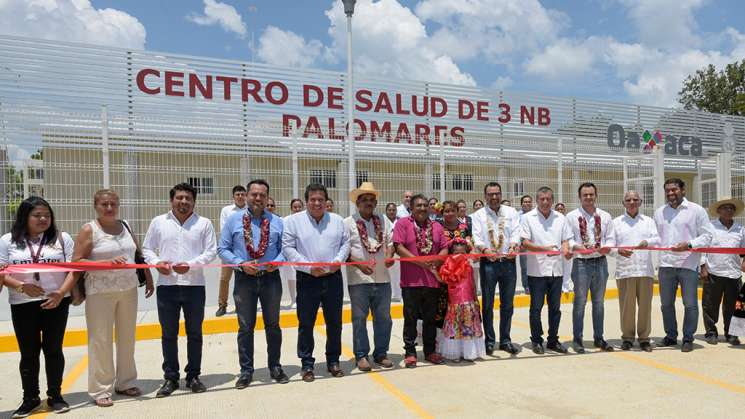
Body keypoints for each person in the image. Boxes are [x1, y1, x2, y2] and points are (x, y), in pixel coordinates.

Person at [72, 189, 154, 407]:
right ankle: (101, 389)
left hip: (127, 289)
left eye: (113, 204)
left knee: (128, 337)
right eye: (104, 204)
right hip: (100, 291)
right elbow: (76, 261)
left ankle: (125, 382)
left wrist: (148, 276)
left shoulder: (125, 225)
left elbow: (138, 254)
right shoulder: (89, 230)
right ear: (96, 206)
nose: (109, 208)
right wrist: (103, 264)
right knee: (101, 341)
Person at [0, 197, 76, 416]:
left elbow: (74, 269)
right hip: (22, 304)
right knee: (29, 353)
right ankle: (30, 398)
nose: (43, 219)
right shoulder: (8, 240)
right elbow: (2, 270)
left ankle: (55, 396)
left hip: (56, 302)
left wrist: (61, 293)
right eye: (37, 215)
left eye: (47, 215)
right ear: (25, 217)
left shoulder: (62, 238)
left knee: (53, 350)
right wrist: (22, 286)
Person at [143, 183, 217, 397]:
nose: (184, 202)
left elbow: (211, 251)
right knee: (168, 334)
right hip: (167, 287)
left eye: (188, 198)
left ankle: (193, 376)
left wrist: (191, 264)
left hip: (194, 287)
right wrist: (157, 262)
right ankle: (171, 378)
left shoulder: (204, 223)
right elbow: (147, 248)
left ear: (194, 201)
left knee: (195, 333)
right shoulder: (159, 222)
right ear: (172, 200)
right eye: (179, 198)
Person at [217, 179, 288, 388]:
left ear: (267, 198)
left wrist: (279, 261)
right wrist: (240, 264)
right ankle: (246, 371)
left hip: (271, 279)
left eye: (262, 195)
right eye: (254, 194)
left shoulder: (277, 221)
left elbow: (286, 248)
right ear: (247, 196)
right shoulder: (233, 220)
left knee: (273, 326)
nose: (258, 198)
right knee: (245, 327)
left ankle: (275, 366)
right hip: (244, 279)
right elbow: (222, 249)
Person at [282, 184, 350, 382]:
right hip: (307, 279)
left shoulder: (337, 221)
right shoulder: (294, 221)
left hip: (333, 278)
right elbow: (288, 248)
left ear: (326, 201)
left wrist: (337, 262)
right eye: (313, 199)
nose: (317, 203)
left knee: (335, 323)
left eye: (321, 199)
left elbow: (345, 243)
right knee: (306, 324)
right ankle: (307, 364)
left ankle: (333, 361)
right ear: (306, 201)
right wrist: (308, 267)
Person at [654, 178, 714, 352]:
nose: (671, 193)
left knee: (690, 304)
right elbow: (656, 237)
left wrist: (688, 245)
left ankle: (688, 338)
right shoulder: (660, 212)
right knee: (666, 304)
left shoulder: (697, 211)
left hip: (689, 264)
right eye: (668, 190)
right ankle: (671, 336)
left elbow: (708, 236)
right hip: (666, 264)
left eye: (674, 190)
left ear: (683, 190)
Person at [393, 194, 448, 368]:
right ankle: (410, 352)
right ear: (411, 207)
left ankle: (430, 351)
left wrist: (436, 261)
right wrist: (422, 263)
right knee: (410, 318)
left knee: (430, 319)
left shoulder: (437, 226)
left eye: (425, 205)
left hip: (432, 282)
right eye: (419, 205)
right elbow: (398, 247)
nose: (423, 208)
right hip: (411, 282)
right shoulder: (402, 224)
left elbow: (445, 248)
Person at [345, 182, 395, 371]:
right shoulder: (348, 222)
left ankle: (381, 353)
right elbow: (344, 250)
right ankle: (361, 355)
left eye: (371, 200)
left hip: (382, 277)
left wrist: (390, 255)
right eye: (364, 200)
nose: (368, 203)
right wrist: (358, 265)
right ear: (357, 203)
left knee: (384, 318)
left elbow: (391, 240)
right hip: (359, 279)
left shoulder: (383, 219)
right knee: (359, 318)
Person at [520, 187, 572, 355]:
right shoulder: (528, 218)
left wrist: (566, 250)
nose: (545, 202)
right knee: (536, 308)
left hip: (556, 270)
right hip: (537, 271)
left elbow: (565, 239)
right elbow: (525, 243)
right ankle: (536, 340)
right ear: (537, 200)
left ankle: (552, 340)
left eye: (548, 199)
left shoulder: (561, 218)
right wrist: (544, 249)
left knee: (555, 309)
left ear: (552, 200)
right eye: (542, 199)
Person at [471, 182, 521, 355]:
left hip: (508, 263)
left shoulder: (511, 212)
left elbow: (516, 232)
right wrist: (485, 249)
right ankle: (490, 341)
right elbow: (477, 237)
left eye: (497, 194)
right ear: (485, 196)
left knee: (507, 304)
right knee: (488, 304)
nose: (494, 197)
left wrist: (514, 245)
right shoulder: (478, 215)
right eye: (490, 194)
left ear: (501, 194)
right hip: (489, 264)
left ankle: (505, 340)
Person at [566, 182, 616, 353]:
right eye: (585, 195)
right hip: (581, 263)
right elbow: (568, 238)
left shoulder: (606, 216)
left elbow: (610, 238)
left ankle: (599, 338)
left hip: (600, 262)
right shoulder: (571, 217)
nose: (588, 198)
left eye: (591, 194)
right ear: (579, 197)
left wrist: (607, 246)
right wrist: (577, 247)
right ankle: (578, 339)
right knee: (580, 302)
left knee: (599, 303)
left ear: (596, 195)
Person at [612, 191, 659, 352]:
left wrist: (648, 241)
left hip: (644, 270)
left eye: (635, 200)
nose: (632, 202)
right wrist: (618, 251)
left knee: (645, 306)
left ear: (640, 202)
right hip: (625, 271)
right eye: (628, 200)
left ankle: (644, 338)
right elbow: (610, 245)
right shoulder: (616, 222)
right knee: (627, 308)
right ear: (623, 203)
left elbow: (658, 239)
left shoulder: (649, 221)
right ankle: (627, 338)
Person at [701, 197, 745, 346]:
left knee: (733, 306)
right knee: (710, 305)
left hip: (734, 273)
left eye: (731, 208)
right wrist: (703, 266)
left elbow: (743, 250)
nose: (729, 210)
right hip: (714, 272)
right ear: (719, 211)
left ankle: (731, 334)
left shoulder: (740, 229)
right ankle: (711, 332)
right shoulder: (710, 227)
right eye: (725, 208)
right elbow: (702, 248)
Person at [436, 239, 486, 361]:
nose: (459, 255)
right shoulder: (447, 265)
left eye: (462, 252)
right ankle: (455, 352)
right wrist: (434, 273)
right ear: (451, 253)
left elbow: (476, 256)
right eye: (456, 253)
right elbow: (443, 280)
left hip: (468, 301)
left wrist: (469, 244)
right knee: (456, 327)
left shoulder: (469, 261)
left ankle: (468, 352)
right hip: (455, 302)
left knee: (467, 327)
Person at [436, 201, 472, 344]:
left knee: (464, 306)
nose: (449, 214)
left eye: (452, 210)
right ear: (442, 213)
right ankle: (444, 342)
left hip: (463, 275)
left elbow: (470, 246)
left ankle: (463, 341)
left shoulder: (464, 228)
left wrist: (471, 248)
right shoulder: (438, 228)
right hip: (445, 273)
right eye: (446, 211)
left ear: (457, 212)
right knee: (444, 306)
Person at [216, 185, 247, 317]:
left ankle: (242, 305)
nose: (240, 196)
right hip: (228, 250)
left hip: (244, 250)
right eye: (237, 194)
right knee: (225, 278)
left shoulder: (249, 209)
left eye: (242, 194)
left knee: (243, 279)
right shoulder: (226, 210)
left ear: (246, 196)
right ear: (233, 196)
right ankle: (222, 305)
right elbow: (224, 229)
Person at [281, 198, 304, 308]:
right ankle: (293, 300)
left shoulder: (307, 219)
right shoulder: (285, 220)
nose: (297, 209)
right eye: (295, 207)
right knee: (291, 277)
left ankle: (304, 299)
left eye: (299, 207)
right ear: (291, 208)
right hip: (290, 253)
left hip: (304, 253)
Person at [385, 202, 402, 301]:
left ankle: (398, 295)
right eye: (389, 210)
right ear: (386, 211)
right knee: (389, 273)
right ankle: (390, 296)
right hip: (387, 251)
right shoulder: (383, 221)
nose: (391, 212)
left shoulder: (400, 221)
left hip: (399, 251)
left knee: (399, 274)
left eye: (393, 210)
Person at [554, 202, 573, 293]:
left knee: (567, 268)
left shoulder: (568, 220)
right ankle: (558, 286)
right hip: (556, 249)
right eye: (558, 209)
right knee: (558, 268)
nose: (560, 211)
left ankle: (565, 286)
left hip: (567, 247)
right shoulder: (553, 221)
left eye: (562, 209)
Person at [518, 195, 534, 295]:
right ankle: (526, 286)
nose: (527, 203)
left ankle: (535, 286)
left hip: (534, 246)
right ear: (521, 204)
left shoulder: (535, 214)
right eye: (525, 202)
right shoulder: (517, 215)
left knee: (535, 267)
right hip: (523, 246)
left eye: (529, 202)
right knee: (524, 267)